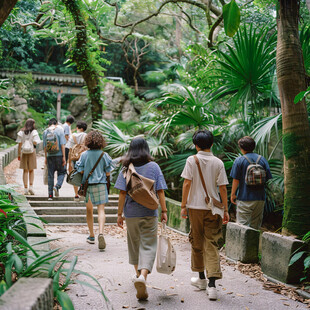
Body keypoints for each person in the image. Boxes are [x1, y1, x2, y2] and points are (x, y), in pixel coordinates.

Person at [115, 137, 168, 301]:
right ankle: (143, 277)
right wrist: (164, 211)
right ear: (146, 149)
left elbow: (122, 193)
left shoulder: (126, 168)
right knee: (148, 245)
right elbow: (160, 191)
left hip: (131, 213)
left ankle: (138, 274)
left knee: (134, 244)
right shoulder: (154, 167)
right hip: (150, 212)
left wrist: (119, 214)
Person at [180, 130, 229, 301]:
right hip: (213, 209)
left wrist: (183, 206)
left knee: (196, 239)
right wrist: (227, 210)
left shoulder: (191, 160)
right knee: (212, 243)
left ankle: (201, 278)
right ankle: (212, 285)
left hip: (194, 207)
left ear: (195, 145)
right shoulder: (218, 162)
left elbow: (187, 183)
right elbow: (222, 187)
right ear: (212, 144)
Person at [75, 131, 114, 250]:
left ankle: (91, 235)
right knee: (101, 210)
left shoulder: (84, 155)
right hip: (101, 184)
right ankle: (101, 233)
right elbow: (108, 172)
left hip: (88, 185)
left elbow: (80, 170)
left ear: (88, 141)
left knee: (89, 210)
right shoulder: (104, 155)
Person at [230, 136, 272, 230]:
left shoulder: (239, 160)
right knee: (255, 227)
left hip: (244, 197)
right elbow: (268, 178)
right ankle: (253, 245)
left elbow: (235, 179)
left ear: (241, 148)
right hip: (260, 198)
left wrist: (233, 194)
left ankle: (243, 245)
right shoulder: (262, 159)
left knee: (242, 226)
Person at [43, 118, 67, 200]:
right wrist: (64, 157)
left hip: (50, 156)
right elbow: (63, 145)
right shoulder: (59, 130)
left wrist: (45, 157)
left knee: (50, 175)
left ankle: (50, 195)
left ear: (49, 124)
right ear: (56, 124)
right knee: (62, 172)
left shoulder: (45, 132)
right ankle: (57, 186)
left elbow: (45, 147)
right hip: (59, 155)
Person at [16, 119, 41, 195]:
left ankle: (25, 189)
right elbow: (36, 142)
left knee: (25, 170)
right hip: (31, 152)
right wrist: (32, 144)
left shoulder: (21, 132)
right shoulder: (34, 132)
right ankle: (31, 187)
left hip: (23, 152)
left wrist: (19, 154)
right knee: (31, 170)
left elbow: (19, 144)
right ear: (32, 124)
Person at [67, 120, 88, 201]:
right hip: (84, 158)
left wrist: (69, 162)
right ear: (84, 128)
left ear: (78, 128)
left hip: (74, 158)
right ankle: (82, 192)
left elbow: (70, 149)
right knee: (84, 175)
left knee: (74, 174)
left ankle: (76, 195)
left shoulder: (72, 136)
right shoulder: (86, 136)